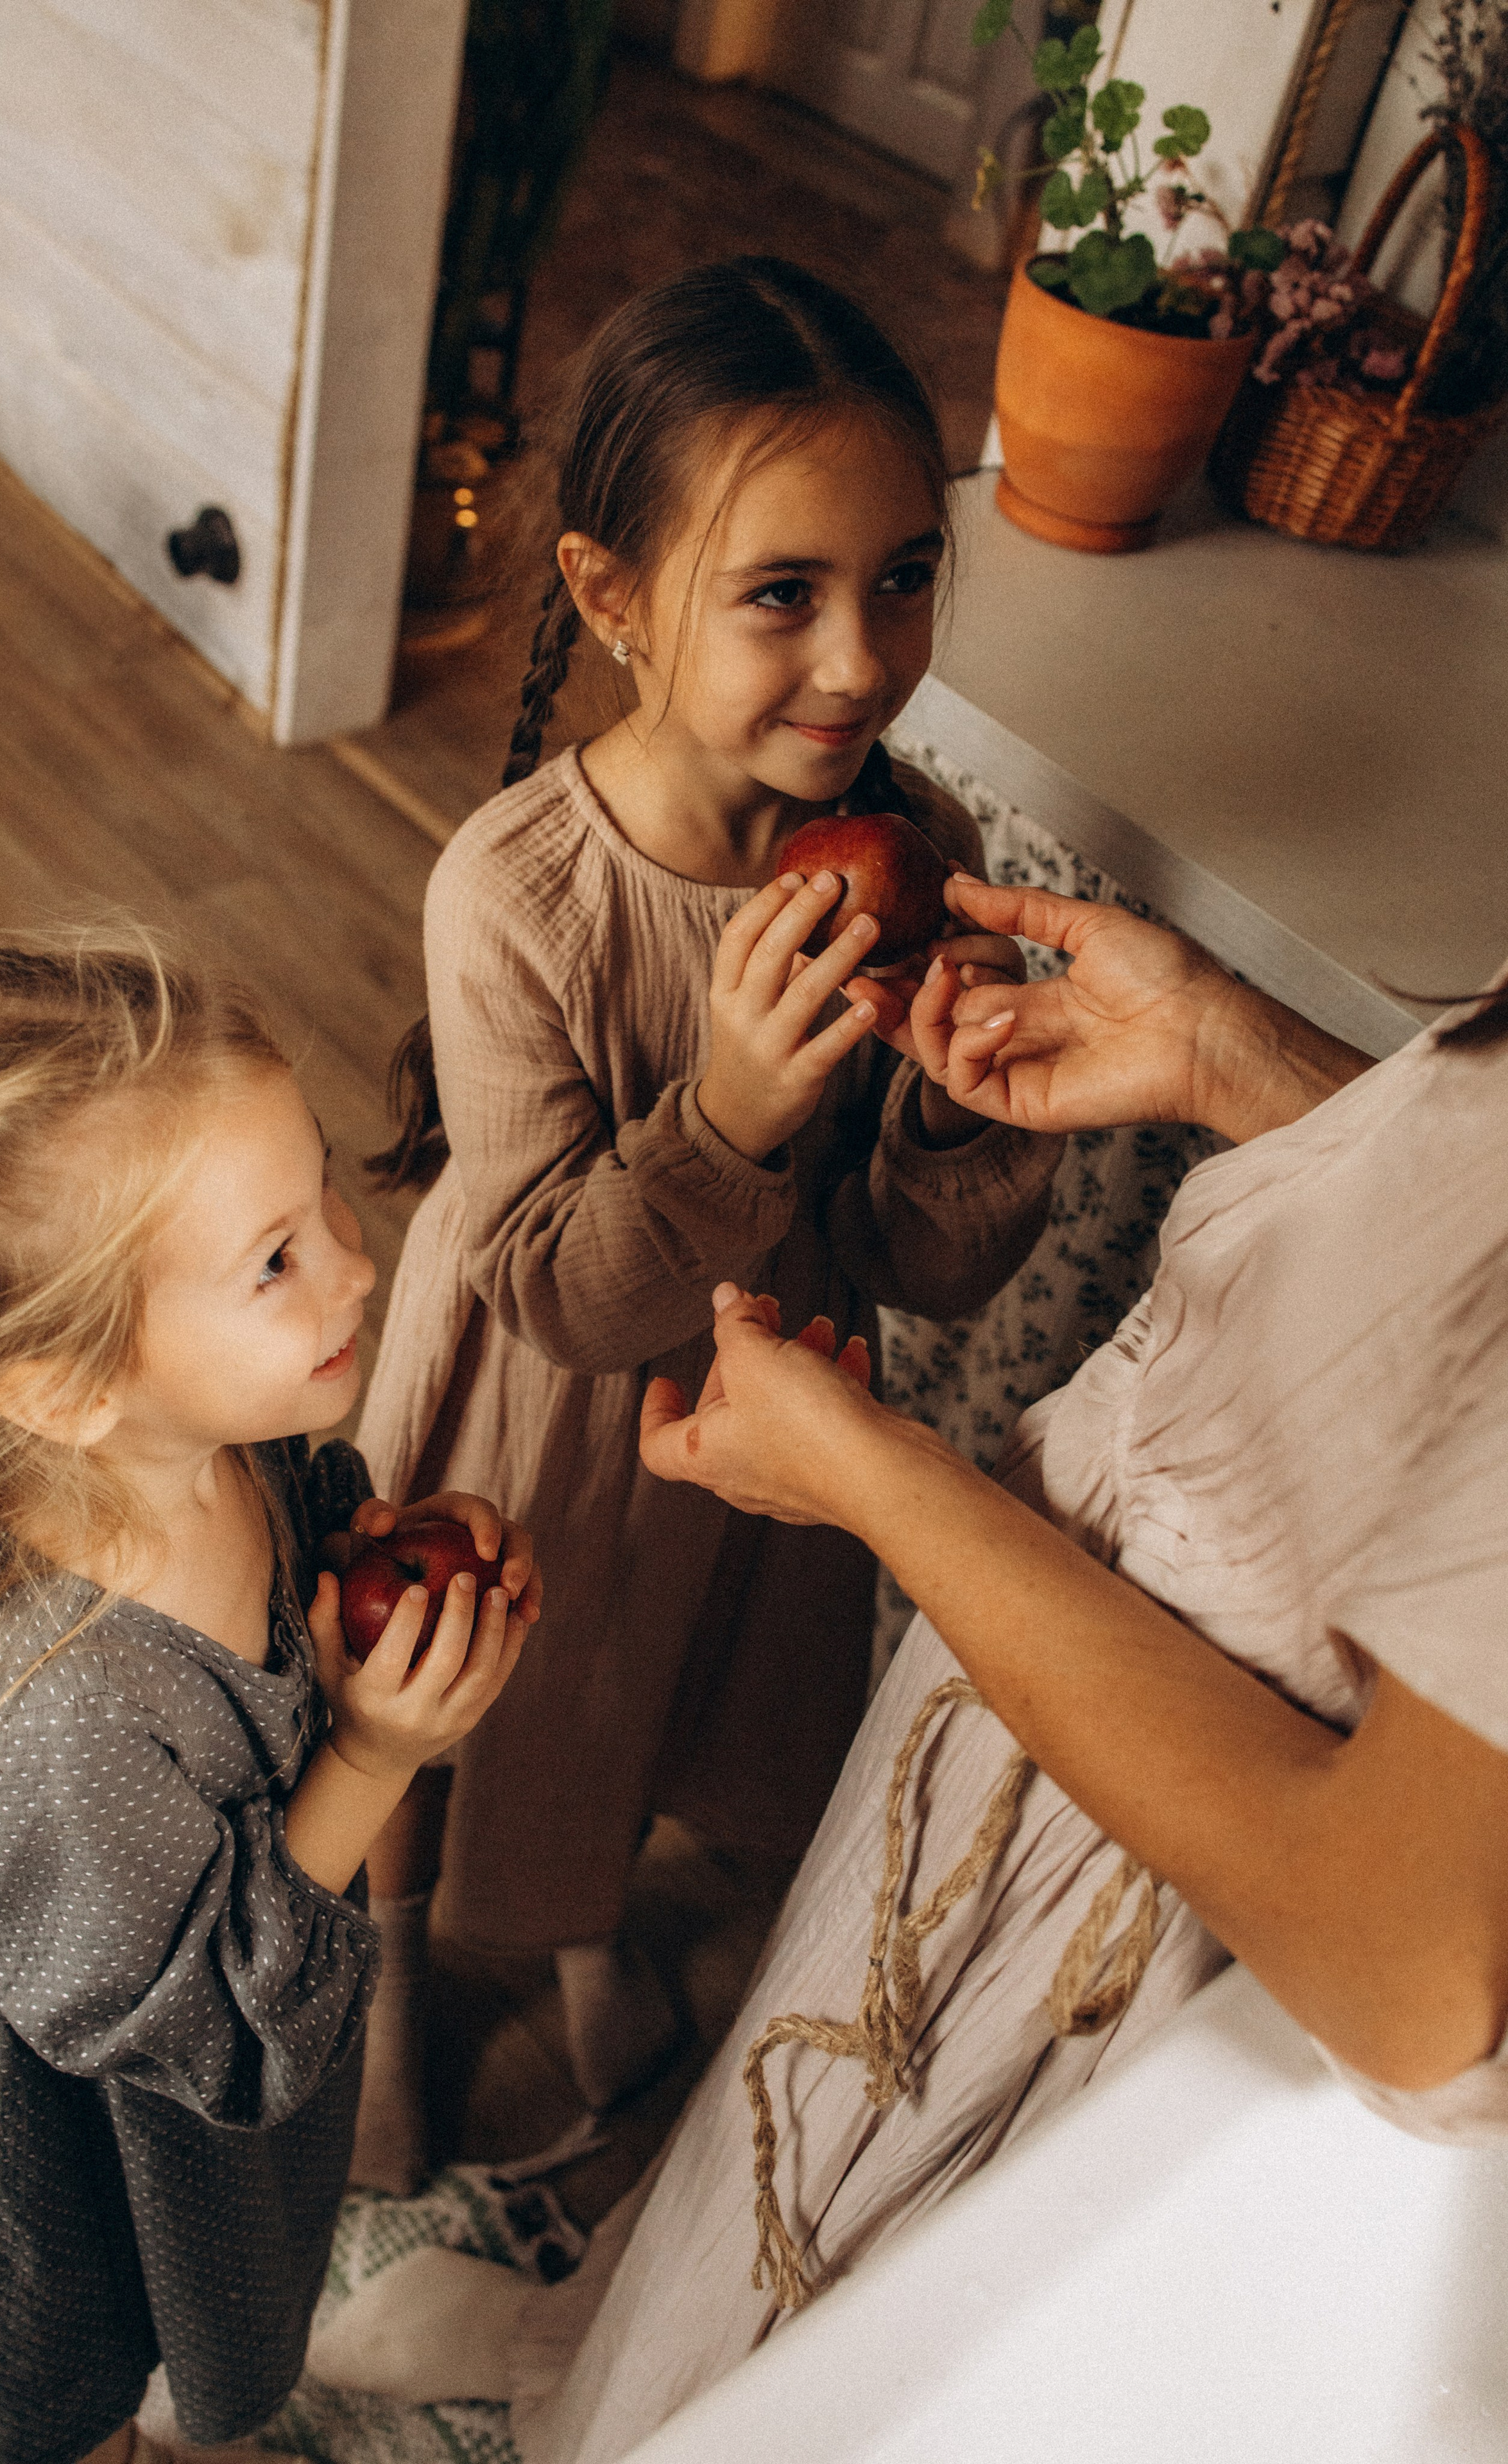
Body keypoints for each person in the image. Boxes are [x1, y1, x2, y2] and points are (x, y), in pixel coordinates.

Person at [502, 880, 1508, 2463]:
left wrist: (876, 1480)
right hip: (1067, 1711)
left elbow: (1407, 1970)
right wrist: (1222, 1050)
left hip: (1169, 1908)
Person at [353, 256, 1065, 2155]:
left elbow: (928, 1264)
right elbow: (566, 1302)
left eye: (903, 577)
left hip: (772, 1391)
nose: (861, 659)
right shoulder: (515, 895)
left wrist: (972, 1105)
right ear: (610, 598)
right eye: (782, 596)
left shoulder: (929, 850)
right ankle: (391, 1986)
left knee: (660, 1692)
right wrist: (735, 1108)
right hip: (548, 1396)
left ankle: (584, 1937)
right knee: (467, 1691)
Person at [0, 930, 540, 2464]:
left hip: (218, 2085)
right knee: (87, 2375)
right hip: (94, 2139)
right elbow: (222, 2035)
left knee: (218, 2298)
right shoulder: (60, 1714)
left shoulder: (204, 1453)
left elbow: (288, 1593)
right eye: (275, 1261)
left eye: (323, 1201)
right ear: (68, 1385)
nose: (359, 1265)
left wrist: (378, 1568)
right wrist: (375, 1751)